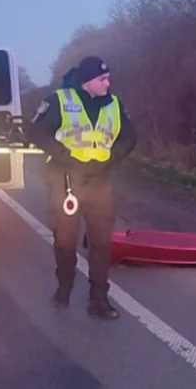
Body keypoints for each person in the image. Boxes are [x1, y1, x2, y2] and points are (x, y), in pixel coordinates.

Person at [28, 56, 137, 320]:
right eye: (103, 79)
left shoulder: (114, 105)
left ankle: (99, 299)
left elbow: (129, 137)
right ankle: (64, 287)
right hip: (66, 180)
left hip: (99, 181)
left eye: (108, 78)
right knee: (65, 241)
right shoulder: (60, 100)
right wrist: (65, 157)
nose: (108, 83)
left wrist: (111, 159)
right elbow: (35, 132)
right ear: (87, 82)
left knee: (101, 243)